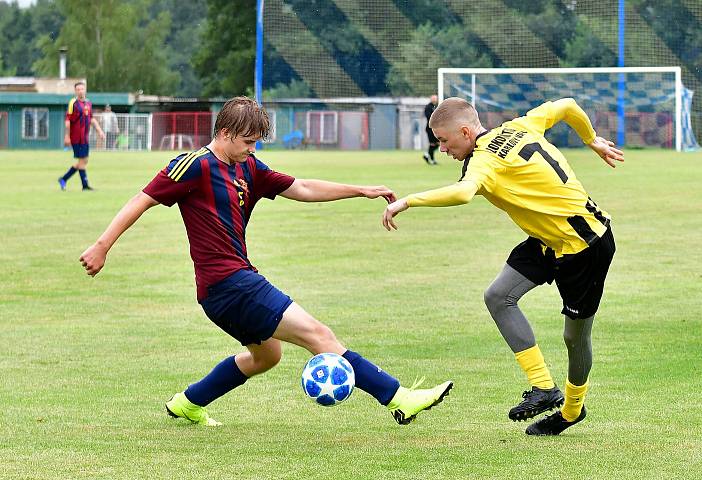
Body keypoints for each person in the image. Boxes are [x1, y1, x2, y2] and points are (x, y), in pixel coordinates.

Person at [78, 97, 452, 427]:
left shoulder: (249, 167)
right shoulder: (193, 165)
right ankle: (399, 398)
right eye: (247, 141)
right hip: (229, 284)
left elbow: (301, 187)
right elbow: (141, 199)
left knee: (266, 356)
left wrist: (360, 190)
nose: (252, 148)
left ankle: (188, 403)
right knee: (318, 335)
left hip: (229, 286)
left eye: (256, 142)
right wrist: (102, 245)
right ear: (224, 132)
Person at [382, 97, 623, 436]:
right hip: (547, 240)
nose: (444, 149)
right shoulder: (519, 126)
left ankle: (571, 410)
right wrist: (591, 138)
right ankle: (543, 388)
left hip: (585, 245)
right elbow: (567, 105)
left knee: (575, 337)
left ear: (466, 132)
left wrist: (409, 200)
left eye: (445, 141)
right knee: (498, 296)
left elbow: (465, 193)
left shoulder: (482, 161)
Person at [59, 81, 105, 191]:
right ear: (75, 91)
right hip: (76, 138)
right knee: (82, 161)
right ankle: (81, 184)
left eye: (82, 89)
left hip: (85, 138)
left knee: (84, 161)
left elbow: (92, 118)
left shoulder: (88, 103)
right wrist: (67, 136)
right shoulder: (73, 103)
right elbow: (68, 121)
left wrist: (100, 131)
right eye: (78, 89)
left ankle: (65, 179)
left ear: (85, 90)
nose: (80, 91)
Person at [422, 94, 439, 165]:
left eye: (436, 98)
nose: (435, 100)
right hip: (430, 128)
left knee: (437, 143)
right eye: (434, 98)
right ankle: (432, 159)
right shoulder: (428, 107)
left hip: (435, 128)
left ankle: (427, 155)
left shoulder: (436, 106)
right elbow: (428, 117)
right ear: (431, 99)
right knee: (432, 144)